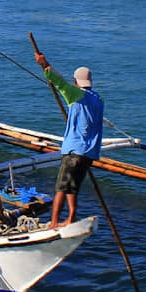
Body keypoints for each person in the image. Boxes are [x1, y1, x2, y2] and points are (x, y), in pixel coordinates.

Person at [34, 54, 104, 229]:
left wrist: (45, 65)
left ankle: (54, 222)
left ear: (76, 81)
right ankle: (71, 216)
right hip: (89, 153)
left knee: (61, 187)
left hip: (74, 150)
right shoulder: (98, 99)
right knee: (72, 187)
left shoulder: (76, 94)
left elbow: (60, 83)